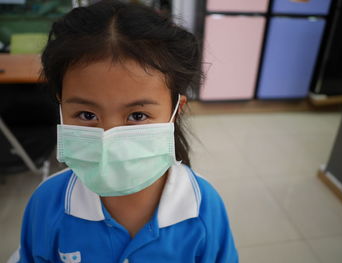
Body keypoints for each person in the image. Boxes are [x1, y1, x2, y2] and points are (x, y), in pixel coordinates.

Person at [13, 0, 239, 262]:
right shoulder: (48, 203)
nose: (109, 138)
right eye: (87, 115)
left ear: (175, 111)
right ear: (61, 106)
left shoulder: (202, 207)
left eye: (137, 116)